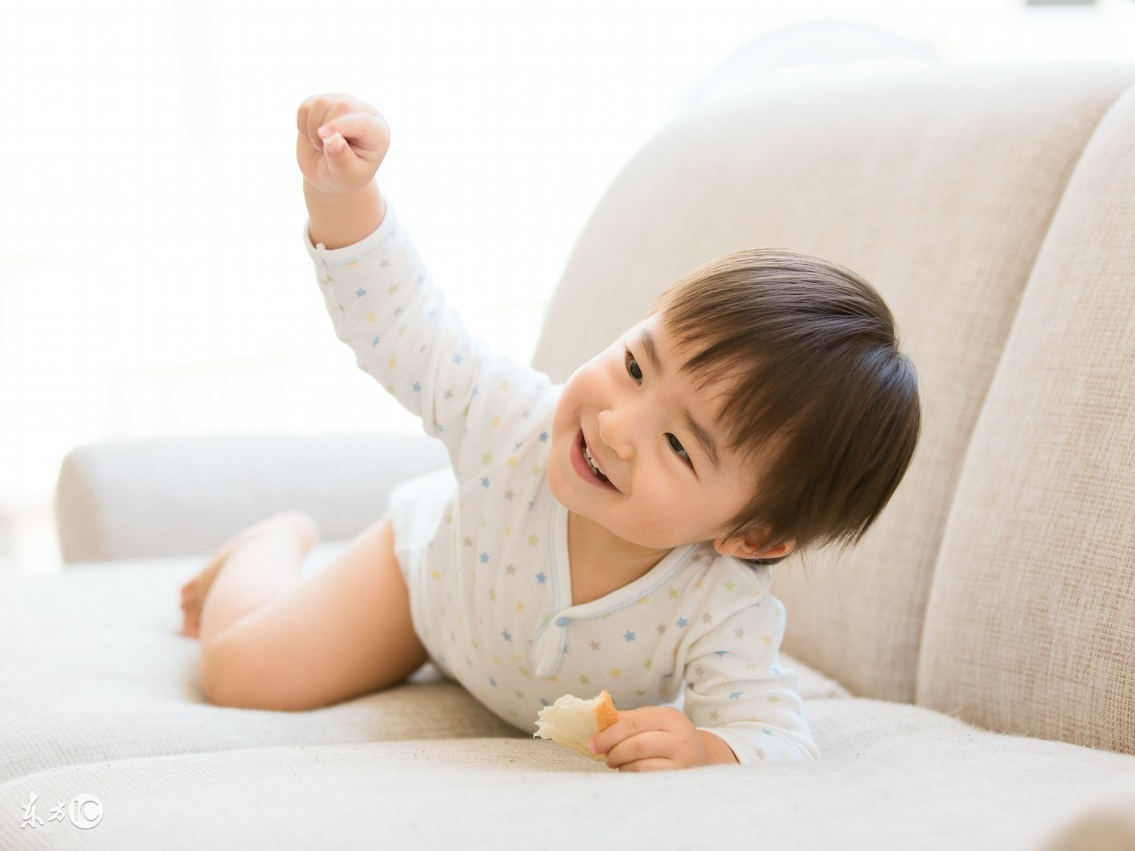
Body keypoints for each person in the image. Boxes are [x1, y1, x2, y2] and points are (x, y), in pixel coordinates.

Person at [179, 93, 921, 771]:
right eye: (635, 366)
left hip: (495, 640)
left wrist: (707, 746)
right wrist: (345, 197)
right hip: (428, 585)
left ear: (753, 535)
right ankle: (271, 543)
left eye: (677, 445)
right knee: (243, 674)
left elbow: (779, 736)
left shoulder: (721, 607)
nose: (616, 424)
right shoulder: (514, 422)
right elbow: (407, 329)